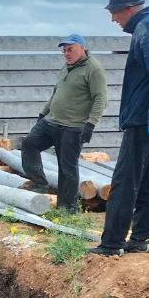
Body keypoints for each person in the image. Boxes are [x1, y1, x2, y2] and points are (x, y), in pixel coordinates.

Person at [87, 0, 149, 256]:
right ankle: (140, 239)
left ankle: (112, 243)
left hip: (144, 119)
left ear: (128, 8)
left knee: (126, 179)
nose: (114, 20)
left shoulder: (147, 30)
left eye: (114, 13)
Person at [19, 34, 108, 212]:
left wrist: (91, 124)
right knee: (29, 144)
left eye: (70, 49)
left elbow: (101, 98)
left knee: (66, 167)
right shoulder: (66, 67)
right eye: (64, 50)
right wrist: (43, 113)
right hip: (51, 122)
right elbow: (56, 92)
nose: (66, 53)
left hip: (73, 127)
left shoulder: (94, 69)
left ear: (82, 48)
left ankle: (67, 208)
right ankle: (39, 183)